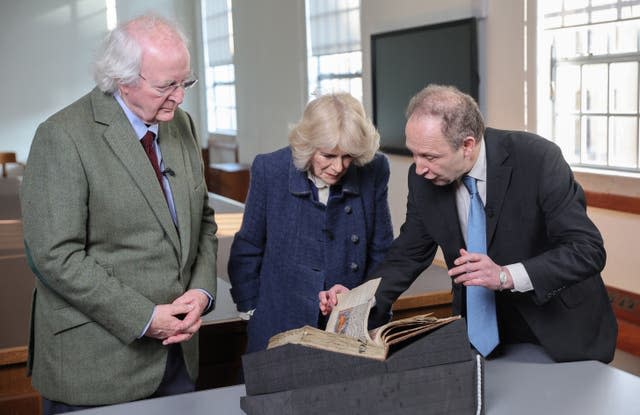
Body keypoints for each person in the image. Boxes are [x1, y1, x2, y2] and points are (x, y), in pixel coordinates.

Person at [320, 84, 617, 363]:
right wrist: (356, 303)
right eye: (414, 153)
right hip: (488, 334)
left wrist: (505, 275)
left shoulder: (538, 159)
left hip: (561, 331)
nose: (418, 167)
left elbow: (587, 249)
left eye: (429, 156)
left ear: (467, 145)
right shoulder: (423, 179)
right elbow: (408, 254)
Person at [20, 15, 218, 414]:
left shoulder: (181, 124)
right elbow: (55, 256)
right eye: (167, 86)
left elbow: (204, 221)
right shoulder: (62, 136)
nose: (180, 98)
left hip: (177, 361)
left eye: (185, 83)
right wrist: (145, 317)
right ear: (123, 80)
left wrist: (201, 292)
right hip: (96, 366)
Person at [228, 93, 394, 353]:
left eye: (347, 156)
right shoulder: (270, 169)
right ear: (307, 145)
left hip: (348, 324)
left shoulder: (374, 169)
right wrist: (252, 310)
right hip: (279, 320)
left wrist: (360, 303)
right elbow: (248, 247)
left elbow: (381, 250)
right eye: (328, 155)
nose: (338, 167)